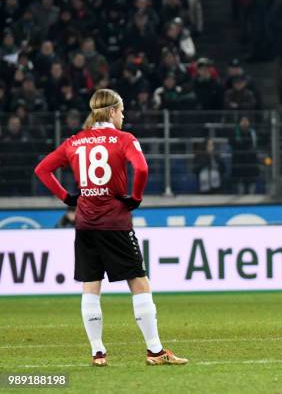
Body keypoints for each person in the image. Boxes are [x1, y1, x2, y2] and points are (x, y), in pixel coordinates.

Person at [34, 89, 187, 367]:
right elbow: (141, 169)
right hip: (115, 223)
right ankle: (154, 351)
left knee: (90, 285)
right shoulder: (124, 139)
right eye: (122, 111)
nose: (124, 116)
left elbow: (42, 170)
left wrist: (68, 198)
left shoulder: (74, 141)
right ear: (113, 111)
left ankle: (98, 352)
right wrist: (136, 198)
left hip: (85, 224)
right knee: (139, 282)